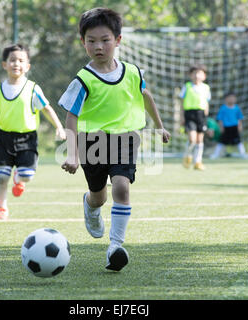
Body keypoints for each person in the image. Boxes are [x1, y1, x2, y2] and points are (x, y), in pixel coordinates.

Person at [59, 8, 170, 272]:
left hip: (125, 139)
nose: (98, 46)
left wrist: (160, 126)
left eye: (105, 40)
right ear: (83, 43)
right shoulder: (83, 79)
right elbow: (71, 117)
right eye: (91, 41)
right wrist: (73, 153)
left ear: (117, 40)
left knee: (122, 187)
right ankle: (90, 205)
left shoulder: (132, 71)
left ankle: (115, 247)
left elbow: (146, 97)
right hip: (92, 143)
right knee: (99, 196)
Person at [0, 44, 66, 220]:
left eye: (21, 60)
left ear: (27, 66)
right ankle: (1, 207)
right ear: (4, 64)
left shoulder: (33, 88)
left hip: (28, 138)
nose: (16, 64)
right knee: (2, 175)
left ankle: (18, 179)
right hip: (4, 138)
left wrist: (59, 126)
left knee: (27, 176)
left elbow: (47, 109)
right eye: (12, 60)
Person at [179, 64, 211, 170]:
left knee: (199, 140)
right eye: (195, 73)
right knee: (192, 139)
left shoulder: (206, 88)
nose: (197, 75)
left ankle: (198, 162)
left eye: (200, 73)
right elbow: (182, 102)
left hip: (201, 115)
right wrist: (181, 116)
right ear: (190, 75)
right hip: (189, 114)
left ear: (204, 76)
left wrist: (206, 115)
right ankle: (187, 156)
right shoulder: (187, 86)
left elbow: (206, 102)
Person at [210, 92, 248, 159]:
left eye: (233, 98)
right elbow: (220, 119)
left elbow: (239, 118)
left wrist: (240, 126)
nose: (231, 99)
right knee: (221, 141)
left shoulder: (237, 108)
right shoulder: (223, 108)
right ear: (226, 99)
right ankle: (215, 155)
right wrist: (221, 127)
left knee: (238, 141)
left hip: (234, 127)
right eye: (229, 98)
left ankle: (243, 154)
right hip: (226, 127)